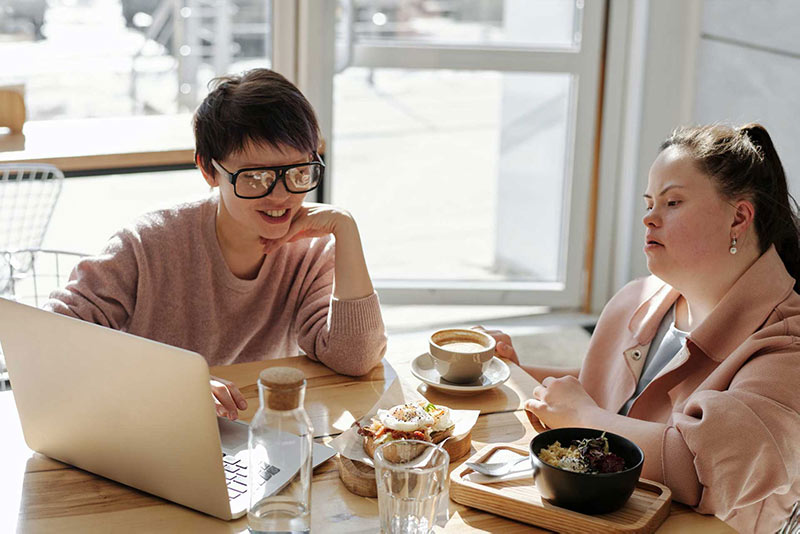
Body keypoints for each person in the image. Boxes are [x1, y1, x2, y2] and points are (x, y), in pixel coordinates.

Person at [479, 123, 800, 533]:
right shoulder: (640, 297)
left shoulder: (788, 349)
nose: (649, 217)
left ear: (738, 217)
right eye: (650, 202)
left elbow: (697, 470)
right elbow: (606, 397)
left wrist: (581, 413)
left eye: (673, 202)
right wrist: (518, 371)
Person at [45, 69, 387, 421]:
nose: (282, 195)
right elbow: (54, 337)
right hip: (151, 426)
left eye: (299, 171)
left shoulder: (311, 251)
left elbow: (356, 359)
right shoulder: (148, 243)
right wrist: (175, 383)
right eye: (255, 177)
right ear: (209, 170)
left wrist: (346, 230)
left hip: (257, 435)